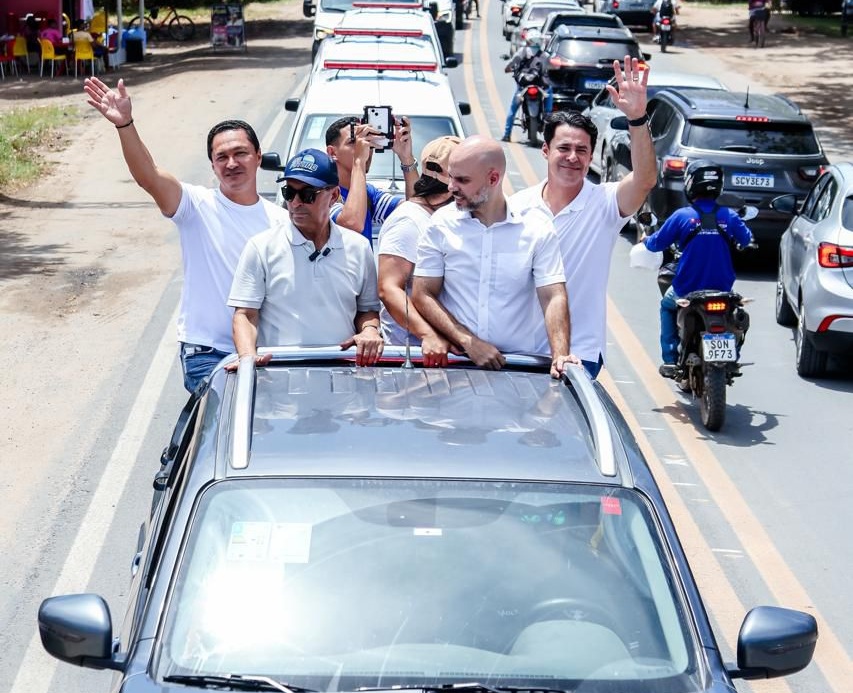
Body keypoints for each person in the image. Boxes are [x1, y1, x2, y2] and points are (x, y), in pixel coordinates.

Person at [83, 76, 289, 393]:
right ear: (212, 165)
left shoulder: (282, 220)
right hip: (207, 353)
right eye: (222, 157)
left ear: (258, 157)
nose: (231, 163)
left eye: (241, 153)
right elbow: (149, 177)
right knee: (223, 422)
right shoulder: (196, 205)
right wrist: (125, 125)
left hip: (264, 352)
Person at [510, 57, 657, 379]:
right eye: (564, 148)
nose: (573, 157)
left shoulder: (605, 203)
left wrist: (637, 119)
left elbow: (645, 179)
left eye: (582, 150)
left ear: (591, 156)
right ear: (545, 150)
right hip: (517, 351)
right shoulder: (516, 207)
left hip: (580, 354)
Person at [411, 135, 577, 378]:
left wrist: (560, 356)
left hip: (519, 369)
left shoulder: (537, 228)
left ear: (493, 179)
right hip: (455, 368)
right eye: (451, 177)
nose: (451, 187)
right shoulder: (440, 225)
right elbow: (423, 293)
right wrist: (468, 341)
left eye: (462, 180)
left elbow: (553, 296)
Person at [228, 148, 384, 368]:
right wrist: (247, 358)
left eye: (308, 193)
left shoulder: (358, 247)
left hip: (343, 379)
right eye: (289, 193)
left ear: (334, 195)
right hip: (280, 379)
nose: (296, 202)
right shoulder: (261, 247)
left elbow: (367, 309)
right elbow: (245, 315)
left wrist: (369, 331)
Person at [642, 160, 753, 378]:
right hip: (723, 289)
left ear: (691, 184)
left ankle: (671, 359)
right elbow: (747, 239)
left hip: (687, 288)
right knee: (739, 317)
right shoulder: (729, 216)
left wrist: (645, 239)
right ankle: (734, 356)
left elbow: (656, 244)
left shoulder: (682, 216)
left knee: (666, 305)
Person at [377, 135, 462, 362]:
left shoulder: (446, 216)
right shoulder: (408, 220)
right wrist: (428, 335)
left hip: (447, 356)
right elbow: (388, 288)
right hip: (412, 356)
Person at [325, 115, 418, 244]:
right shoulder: (322, 193)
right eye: (354, 142)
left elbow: (415, 210)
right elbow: (352, 224)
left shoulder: (368, 193)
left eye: (367, 141)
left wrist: (406, 158)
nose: (364, 148)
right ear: (332, 153)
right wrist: (359, 161)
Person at [501, 29, 553, 143]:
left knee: (512, 110)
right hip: (541, 87)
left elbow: (511, 64)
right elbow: (550, 69)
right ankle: (548, 121)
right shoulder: (544, 55)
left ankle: (506, 134)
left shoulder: (522, 52)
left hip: (523, 87)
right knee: (549, 98)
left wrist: (508, 69)